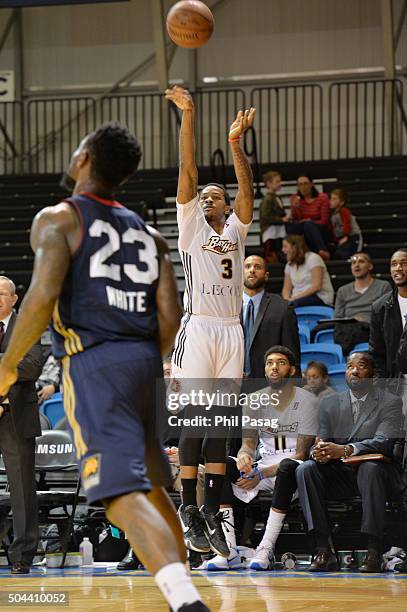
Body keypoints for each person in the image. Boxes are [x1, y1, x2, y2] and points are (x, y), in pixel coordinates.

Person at [0, 124, 210, 612]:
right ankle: (184, 594)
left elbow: (40, 297)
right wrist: (139, 356)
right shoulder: (149, 233)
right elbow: (170, 318)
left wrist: (7, 366)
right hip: (143, 361)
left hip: (95, 362)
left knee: (117, 493)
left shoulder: (59, 219)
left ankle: (187, 603)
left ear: (85, 160)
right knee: (155, 490)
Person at [165, 84, 255, 559]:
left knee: (219, 422)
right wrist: (188, 115)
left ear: (224, 207)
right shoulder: (190, 225)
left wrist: (236, 143)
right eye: (202, 195)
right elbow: (187, 169)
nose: (205, 198)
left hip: (231, 329)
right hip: (199, 326)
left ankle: (213, 513)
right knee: (197, 417)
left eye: (213, 196)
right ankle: (187, 507)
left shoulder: (237, 230)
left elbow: (247, 192)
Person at [206, 346, 318, 571]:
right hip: (264, 468)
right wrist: (244, 458)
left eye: (281, 362)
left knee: (287, 466)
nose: (274, 367)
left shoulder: (308, 400)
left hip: (293, 469)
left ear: (292, 369)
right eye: (269, 363)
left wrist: (260, 474)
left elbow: (301, 454)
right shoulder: (253, 400)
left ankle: (265, 547)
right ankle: (228, 550)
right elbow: (248, 444)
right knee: (222, 464)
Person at [296, 352, 404, 572]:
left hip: (378, 474)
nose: (354, 370)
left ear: (373, 374)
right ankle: (323, 548)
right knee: (306, 469)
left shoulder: (390, 402)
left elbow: (383, 442)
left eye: (361, 366)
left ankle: (373, 550)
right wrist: (321, 451)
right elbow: (324, 440)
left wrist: (345, 449)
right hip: (341, 473)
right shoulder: (330, 403)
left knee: (369, 468)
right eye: (349, 366)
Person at [0, 276, 43, 574]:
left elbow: (31, 366)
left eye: (2, 293)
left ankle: (23, 554)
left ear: (14, 299)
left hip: (15, 415)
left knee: (22, 489)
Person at [242, 255, 301, 385]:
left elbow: (292, 355)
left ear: (266, 275)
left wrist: (295, 389)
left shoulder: (283, 308)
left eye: (257, 267)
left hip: (269, 385)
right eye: (247, 267)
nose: (252, 270)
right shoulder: (227, 308)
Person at [370, 248, 407, 380]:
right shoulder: (379, 307)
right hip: (397, 384)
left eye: (403, 263)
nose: (398, 268)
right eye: (394, 264)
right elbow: (377, 353)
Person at [281, 235, 334, 308]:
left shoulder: (313, 258)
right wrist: (286, 300)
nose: (283, 250)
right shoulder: (289, 265)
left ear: (295, 247)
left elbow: (317, 286)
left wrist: (295, 298)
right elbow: (286, 289)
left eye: (285, 246)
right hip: (297, 299)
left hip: (319, 297)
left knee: (293, 305)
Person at [287, 175, 331, 260]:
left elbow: (324, 221)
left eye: (305, 184)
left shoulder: (322, 198)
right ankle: (292, 253)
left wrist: (310, 221)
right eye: (300, 184)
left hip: (320, 229)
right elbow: (296, 219)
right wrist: (295, 207)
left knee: (308, 225)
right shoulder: (295, 198)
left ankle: (323, 250)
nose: (303, 187)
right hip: (304, 227)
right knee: (291, 226)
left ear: (311, 184)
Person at [259, 171, 289, 263]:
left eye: (280, 181)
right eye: (277, 182)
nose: (280, 184)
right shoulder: (267, 199)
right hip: (270, 230)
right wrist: (281, 219)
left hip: (277, 229)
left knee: (278, 250)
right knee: (271, 253)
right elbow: (265, 216)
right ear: (268, 183)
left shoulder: (276, 198)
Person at [329, 188, 362, 259]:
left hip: (352, 236)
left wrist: (346, 236)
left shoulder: (344, 211)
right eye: (331, 199)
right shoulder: (333, 215)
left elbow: (346, 223)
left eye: (334, 199)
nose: (331, 201)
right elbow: (335, 228)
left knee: (351, 252)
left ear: (341, 202)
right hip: (342, 237)